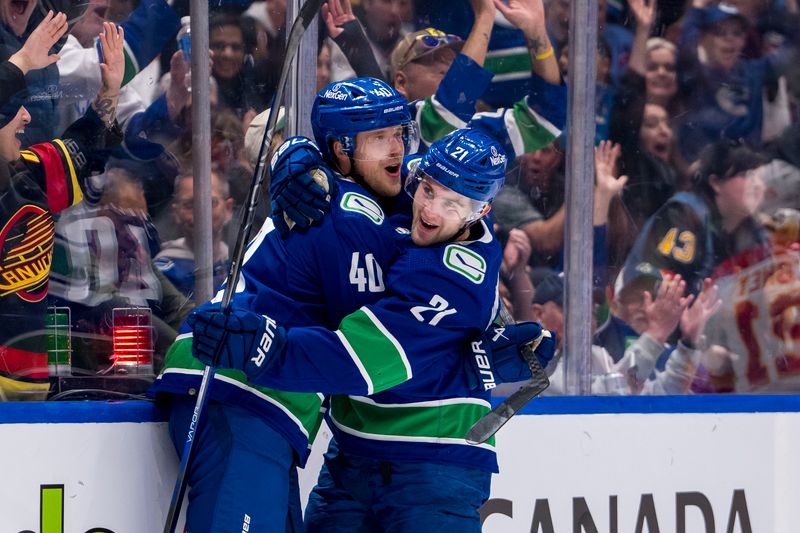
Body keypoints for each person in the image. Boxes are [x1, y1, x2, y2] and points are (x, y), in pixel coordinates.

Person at [190, 128, 555, 532]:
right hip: (352, 459)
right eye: (429, 191)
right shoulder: (417, 187)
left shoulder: (456, 276)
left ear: (481, 213)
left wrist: (266, 349)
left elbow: (362, 362)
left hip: (433, 467)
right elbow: (362, 153)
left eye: (453, 205)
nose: (431, 212)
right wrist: (295, 156)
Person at [151, 78, 418, 532]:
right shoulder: (351, 211)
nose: (396, 149)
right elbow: (370, 345)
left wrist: (291, 150)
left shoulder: (338, 191)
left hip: (246, 392)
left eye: (398, 134)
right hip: (240, 387)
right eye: (378, 138)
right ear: (340, 148)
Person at [0, 21, 124, 400]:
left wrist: (109, 90)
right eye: (13, 112)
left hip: (30, 375)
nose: (27, 118)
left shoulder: (33, 170)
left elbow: (88, 141)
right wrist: (20, 61)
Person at [620, 139, 770, 296]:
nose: (758, 184)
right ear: (716, 183)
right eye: (746, 175)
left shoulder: (754, 229)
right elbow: (653, 288)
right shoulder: (683, 217)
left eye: (759, 176)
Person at [154, 170, 234, 299]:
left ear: (228, 208)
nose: (201, 213)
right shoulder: (165, 270)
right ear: (176, 212)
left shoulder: (238, 262)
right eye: (189, 205)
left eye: (210, 203)